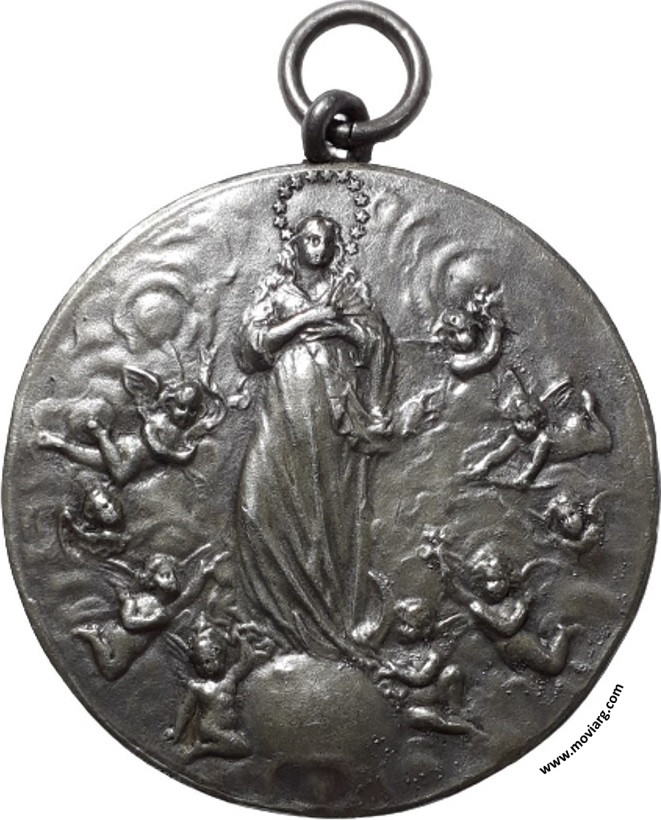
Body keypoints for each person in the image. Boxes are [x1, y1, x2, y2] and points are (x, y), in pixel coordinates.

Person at [234, 213, 395, 657]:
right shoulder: (275, 290)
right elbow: (249, 348)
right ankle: (282, 615)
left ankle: (329, 620)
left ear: (336, 246)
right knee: (255, 501)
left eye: (325, 241)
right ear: (296, 243)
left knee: (327, 505)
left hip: (332, 408)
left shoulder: (347, 291)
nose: (318, 248)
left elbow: (377, 341)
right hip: (283, 404)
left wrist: (341, 328)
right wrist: (306, 318)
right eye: (310, 239)